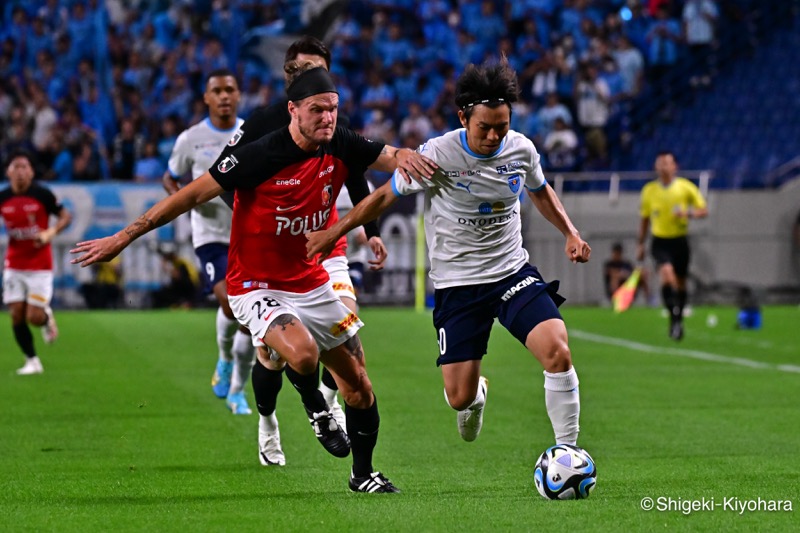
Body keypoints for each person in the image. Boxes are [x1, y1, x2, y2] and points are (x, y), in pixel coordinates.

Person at [71, 65, 436, 493]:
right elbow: (186, 196)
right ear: (293, 111)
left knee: (358, 384)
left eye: (333, 109)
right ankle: (315, 407)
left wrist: (405, 154)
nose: (328, 118)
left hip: (311, 280)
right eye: (317, 110)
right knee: (300, 355)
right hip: (255, 283)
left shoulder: (339, 142)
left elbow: (388, 155)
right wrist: (124, 236)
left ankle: (362, 474)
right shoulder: (258, 156)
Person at [307, 61, 591, 456]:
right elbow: (384, 197)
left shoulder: (522, 149)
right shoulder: (438, 153)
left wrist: (570, 232)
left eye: (501, 127)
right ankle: (477, 395)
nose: (494, 136)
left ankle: (570, 453)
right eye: (484, 127)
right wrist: (334, 232)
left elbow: (540, 190)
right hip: (458, 285)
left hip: (511, 273)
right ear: (463, 117)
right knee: (458, 396)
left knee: (557, 350)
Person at [211, 37, 388, 466]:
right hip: (272, 255)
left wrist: (369, 229)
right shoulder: (263, 124)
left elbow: (355, 170)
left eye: (317, 67)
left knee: (346, 330)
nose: (309, 75)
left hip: (323, 244)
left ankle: (330, 407)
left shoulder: (329, 121)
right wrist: (262, 224)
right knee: (274, 355)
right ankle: (268, 421)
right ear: (289, 78)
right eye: (300, 69)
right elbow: (222, 180)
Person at [162, 68, 256, 416]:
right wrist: (186, 202)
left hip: (248, 232)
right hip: (211, 235)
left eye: (230, 89)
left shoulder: (252, 132)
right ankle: (224, 359)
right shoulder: (190, 139)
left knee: (248, 317)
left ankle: (237, 392)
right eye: (217, 90)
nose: (224, 96)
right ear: (206, 98)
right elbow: (170, 177)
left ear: (238, 94)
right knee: (232, 304)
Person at [1, 150, 72, 374]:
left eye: (25, 167)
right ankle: (32, 360)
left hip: (40, 265)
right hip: (13, 263)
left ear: (31, 172)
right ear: (8, 172)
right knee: (15, 313)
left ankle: (46, 317)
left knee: (33, 317)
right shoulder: (3, 197)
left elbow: (66, 216)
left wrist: (50, 232)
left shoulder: (42, 194)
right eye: (16, 167)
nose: (20, 172)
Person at [636, 151, 708, 340]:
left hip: (680, 241)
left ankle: (678, 319)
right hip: (660, 242)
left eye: (667, 163)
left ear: (675, 166)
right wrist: (641, 243)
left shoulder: (685, 187)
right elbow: (644, 219)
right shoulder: (649, 190)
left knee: (681, 283)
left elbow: (703, 210)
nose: (663, 167)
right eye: (660, 163)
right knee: (667, 277)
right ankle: (674, 318)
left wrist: (688, 214)